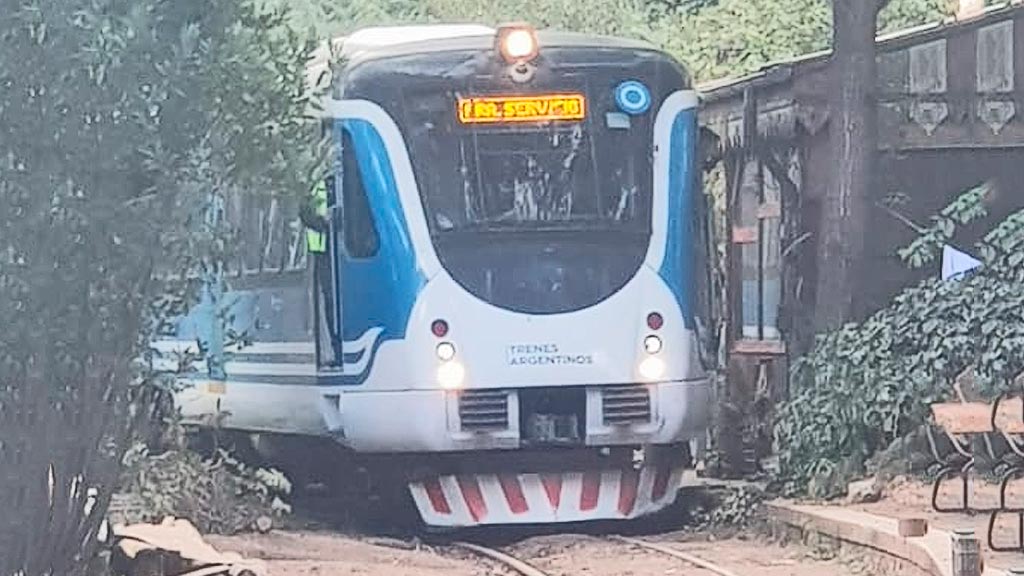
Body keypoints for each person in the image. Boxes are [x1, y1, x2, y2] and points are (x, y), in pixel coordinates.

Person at [300, 177, 339, 362]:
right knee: (331, 301)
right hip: (324, 252)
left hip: (346, 251)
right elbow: (305, 213)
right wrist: (324, 225)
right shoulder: (317, 183)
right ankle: (337, 348)